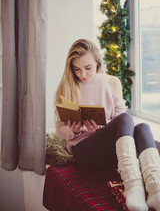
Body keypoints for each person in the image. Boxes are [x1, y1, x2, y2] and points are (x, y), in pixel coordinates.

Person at [54, 39, 160, 211]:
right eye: (77, 69)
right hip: (84, 152)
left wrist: (102, 129)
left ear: (97, 62)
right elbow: (59, 127)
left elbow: (120, 122)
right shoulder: (67, 87)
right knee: (127, 119)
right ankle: (133, 185)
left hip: (112, 151)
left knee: (143, 128)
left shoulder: (112, 82)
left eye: (88, 68)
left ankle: (155, 189)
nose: (83, 74)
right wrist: (73, 131)